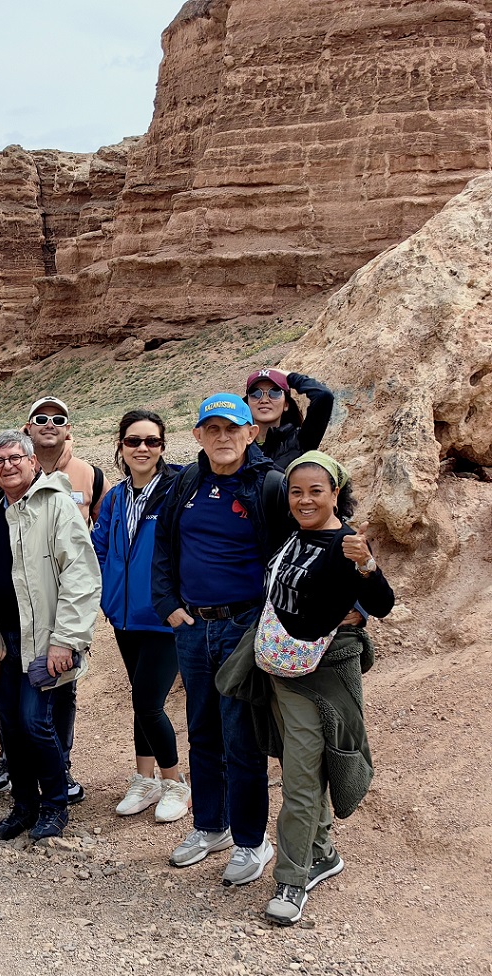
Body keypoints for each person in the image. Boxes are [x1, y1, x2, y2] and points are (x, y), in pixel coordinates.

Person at [227, 452, 393, 926]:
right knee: (305, 766)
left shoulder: (346, 544)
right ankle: (321, 853)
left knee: (300, 780)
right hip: (281, 670)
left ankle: (292, 879)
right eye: (296, 492)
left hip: (317, 679)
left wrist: (368, 568)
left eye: (315, 491)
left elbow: (382, 603)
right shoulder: (296, 536)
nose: (304, 500)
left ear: (335, 493)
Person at [152, 393, 291, 885]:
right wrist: (167, 603)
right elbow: (165, 545)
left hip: (242, 627)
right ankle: (212, 826)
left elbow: (296, 549)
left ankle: (252, 841)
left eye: (232, 429)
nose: (223, 438)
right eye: (212, 429)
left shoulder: (270, 486)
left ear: (250, 432)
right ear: (198, 436)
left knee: (242, 737)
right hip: (193, 626)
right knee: (202, 730)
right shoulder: (188, 482)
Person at [0, 431, 101, 843]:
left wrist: (66, 639)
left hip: (43, 638)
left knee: (34, 722)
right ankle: (23, 805)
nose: (7, 466)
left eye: (14, 458)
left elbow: (80, 576)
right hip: (0, 640)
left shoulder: (56, 505)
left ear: (32, 462)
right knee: (9, 725)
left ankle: (55, 805)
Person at [91, 411, 190, 822]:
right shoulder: (115, 497)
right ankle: (144, 779)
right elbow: (97, 546)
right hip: (125, 617)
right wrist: (108, 594)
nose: (142, 449)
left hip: (164, 618)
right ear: (121, 446)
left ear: (163, 446)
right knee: (141, 701)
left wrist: (180, 601)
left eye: (151, 441)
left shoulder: (179, 488)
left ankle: (175, 783)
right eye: (134, 441)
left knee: (148, 702)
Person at [22, 395, 106, 804]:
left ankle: (62, 762)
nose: (50, 424)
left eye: (59, 419)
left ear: (69, 428)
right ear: (28, 428)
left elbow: (101, 533)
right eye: (41, 418)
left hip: (69, 598)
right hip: (25, 596)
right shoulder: (14, 469)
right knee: (19, 683)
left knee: (64, 684)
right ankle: (10, 757)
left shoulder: (89, 474)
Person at [244, 368, 334, 468]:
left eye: (275, 392)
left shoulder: (301, 441)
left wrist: (290, 377)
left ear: (286, 404)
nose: (264, 400)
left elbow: (324, 395)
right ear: (247, 403)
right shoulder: (238, 442)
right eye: (255, 393)